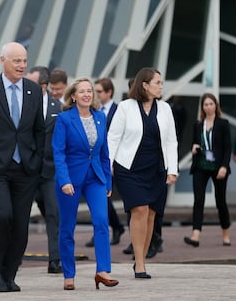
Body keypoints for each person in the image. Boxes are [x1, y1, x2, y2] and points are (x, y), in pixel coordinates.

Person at [0, 42, 45, 292]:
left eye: (24, 60)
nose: (22, 65)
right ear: (3, 60)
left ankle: (10, 274)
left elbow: (39, 129)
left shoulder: (34, 90)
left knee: (21, 224)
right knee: (3, 215)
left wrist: (35, 160)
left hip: (26, 167)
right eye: (16, 61)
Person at [108, 67, 178, 279]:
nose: (161, 86)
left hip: (156, 168)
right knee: (139, 210)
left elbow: (171, 141)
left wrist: (173, 169)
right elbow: (113, 138)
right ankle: (139, 265)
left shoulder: (165, 108)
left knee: (151, 215)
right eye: (157, 82)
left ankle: (142, 259)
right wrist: (106, 168)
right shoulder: (125, 107)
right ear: (145, 85)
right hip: (129, 168)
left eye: (161, 82)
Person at [52, 77, 119, 290]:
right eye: (82, 91)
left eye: (89, 91)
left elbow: (104, 152)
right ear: (73, 96)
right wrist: (64, 180)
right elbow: (58, 152)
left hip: (95, 178)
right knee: (67, 227)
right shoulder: (64, 119)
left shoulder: (100, 117)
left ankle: (103, 271)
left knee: (101, 221)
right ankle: (69, 274)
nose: (87, 94)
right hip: (70, 179)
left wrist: (107, 180)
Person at [26, 66, 63, 273]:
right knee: (20, 216)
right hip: (26, 170)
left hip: (50, 172)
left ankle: (55, 260)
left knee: (53, 215)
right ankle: (14, 259)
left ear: (43, 86)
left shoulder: (58, 107)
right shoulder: (20, 106)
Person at [183, 93, 232, 247]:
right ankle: (196, 234)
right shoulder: (198, 124)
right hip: (201, 165)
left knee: (220, 201)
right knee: (198, 200)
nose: (208, 107)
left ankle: (225, 232)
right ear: (202, 107)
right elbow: (193, 143)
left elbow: (227, 148)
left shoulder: (223, 124)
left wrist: (224, 166)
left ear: (215, 105)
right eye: (206, 104)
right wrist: (194, 148)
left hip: (218, 167)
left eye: (211, 104)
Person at [85, 77, 125, 248]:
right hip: (96, 161)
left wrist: (114, 162)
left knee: (105, 197)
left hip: (113, 162)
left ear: (109, 92)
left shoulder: (118, 110)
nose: (96, 94)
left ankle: (113, 228)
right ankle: (112, 228)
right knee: (100, 198)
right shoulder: (93, 111)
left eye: (99, 91)